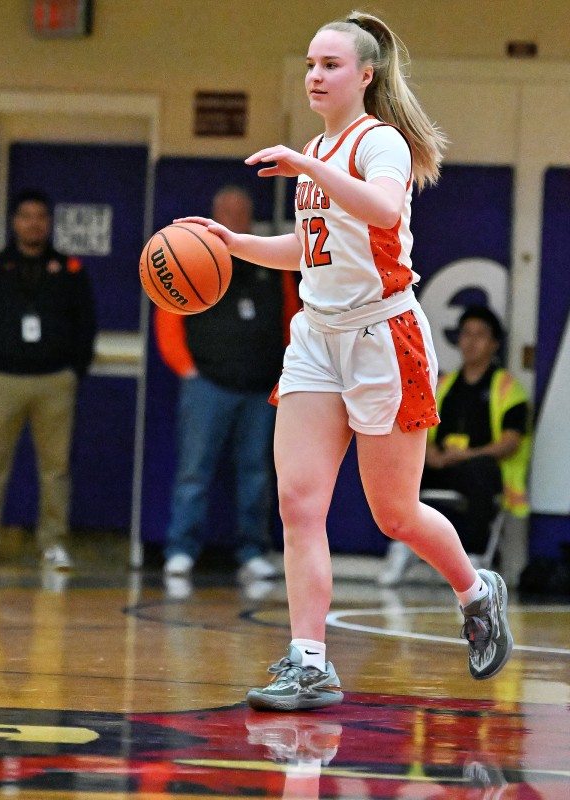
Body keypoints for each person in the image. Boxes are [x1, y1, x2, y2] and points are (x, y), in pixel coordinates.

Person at [176, 11, 513, 711]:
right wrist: (232, 241)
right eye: (309, 64)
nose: (315, 76)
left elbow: (385, 213)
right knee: (299, 504)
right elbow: (310, 251)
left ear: (366, 74)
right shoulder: (316, 154)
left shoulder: (377, 143)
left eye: (330, 64)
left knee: (394, 513)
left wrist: (309, 164)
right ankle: (309, 662)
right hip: (315, 337)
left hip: (381, 336)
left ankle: (475, 590)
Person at [156, 185, 300, 586]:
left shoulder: (269, 260)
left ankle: (252, 552)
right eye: (228, 212)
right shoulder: (190, 256)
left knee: (256, 472)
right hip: (208, 385)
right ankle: (181, 549)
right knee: (194, 471)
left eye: (242, 212)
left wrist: (287, 369)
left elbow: (291, 316)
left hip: (260, 388)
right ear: (214, 214)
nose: (235, 219)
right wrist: (186, 369)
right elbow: (169, 317)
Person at [0, 189, 96, 572]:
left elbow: (86, 326)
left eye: (40, 217)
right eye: (26, 216)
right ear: (14, 222)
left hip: (54, 381)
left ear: (48, 224)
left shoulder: (69, 270)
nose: (33, 223)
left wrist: (72, 371)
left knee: (55, 469)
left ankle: (53, 544)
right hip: (0, 380)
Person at [379, 305, 531, 586]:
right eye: (466, 334)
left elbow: (511, 441)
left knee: (478, 471)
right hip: (445, 465)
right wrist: (432, 453)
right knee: (403, 466)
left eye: (480, 335)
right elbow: (420, 429)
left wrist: (468, 455)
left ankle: (473, 558)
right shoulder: (444, 385)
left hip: (481, 469)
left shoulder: (508, 387)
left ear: (494, 344)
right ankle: (405, 545)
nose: (471, 342)